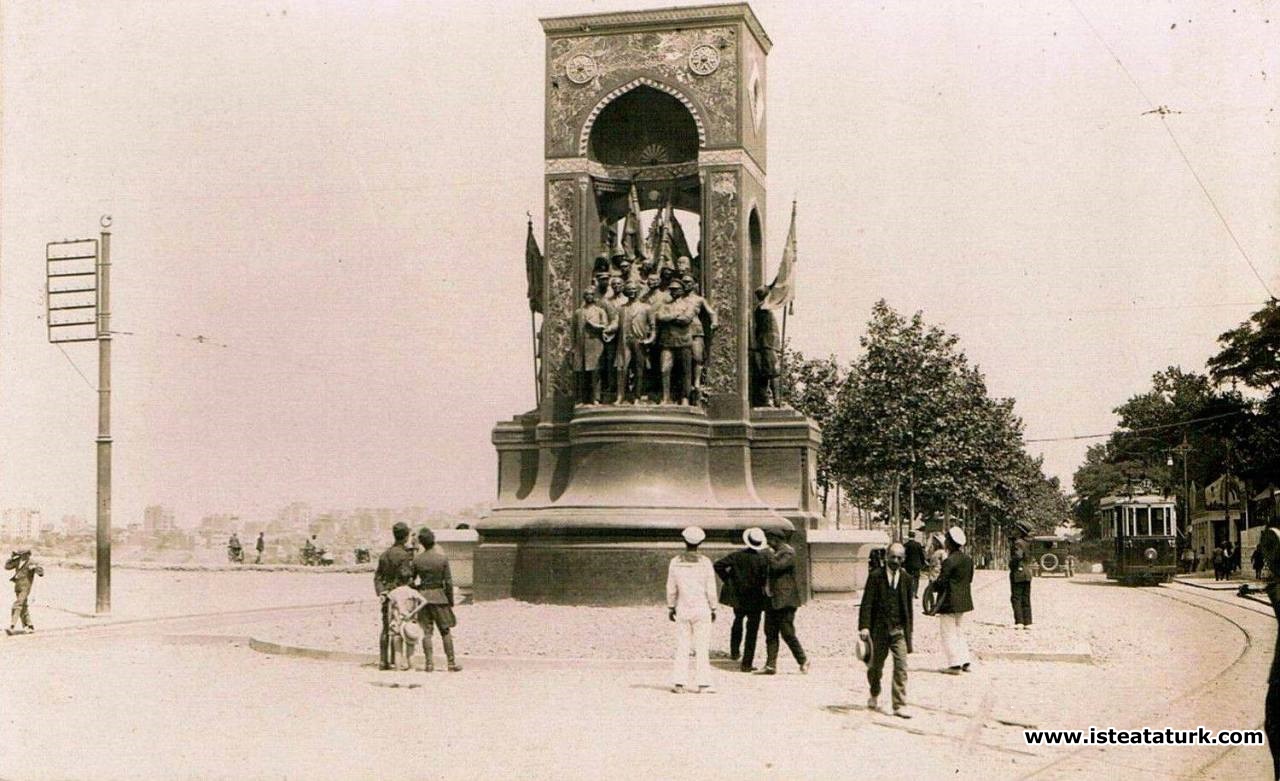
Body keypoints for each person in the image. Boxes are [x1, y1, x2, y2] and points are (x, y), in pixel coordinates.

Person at [859, 542, 914, 718]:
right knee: (875, 667)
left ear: (903, 559)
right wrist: (865, 626)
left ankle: (899, 705)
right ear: (886, 557)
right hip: (879, 631)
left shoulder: (906, 579)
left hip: (898, 631)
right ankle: (874, 692)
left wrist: (909, 633)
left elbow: (908, 608)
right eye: (892, 557)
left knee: (901, 667)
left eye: (899, 557)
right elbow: (867, 603)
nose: (895, 560)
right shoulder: (875, 576)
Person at [667, 526, 718, 693]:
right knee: (702, 646)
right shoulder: (705, 562)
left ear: (684, 541)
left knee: (682, 645)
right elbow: (711, 588)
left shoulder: (675, 561)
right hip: (701, 606)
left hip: (683, 606)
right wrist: (713, 606)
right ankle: (703, 684)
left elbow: (671, 587)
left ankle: (679, 683)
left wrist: (671, 605)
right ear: (701, 542)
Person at [713, 527, 769, 672]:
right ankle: (747, 663)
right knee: (752, 629)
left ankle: (734, 651)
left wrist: (728, 580)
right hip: (756, 597)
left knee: (737, 621)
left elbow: (718, 565)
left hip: (738, 595)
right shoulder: (763, 559)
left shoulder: (737, 556)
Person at [757, 527, 809, 675]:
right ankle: (770, 665)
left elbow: (776, 567)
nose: (767, 543)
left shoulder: (788, 552)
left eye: (769, 540)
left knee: (787, 632)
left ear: (776, 539)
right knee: (770, 632)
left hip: (785, 600)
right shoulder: (775, 553)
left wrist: (767, 554)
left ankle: (803, 660)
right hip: (772, 598)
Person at [411, 527, 461, 672]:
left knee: (426, 632)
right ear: (434, 540)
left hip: (423, 598)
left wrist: (419, 589)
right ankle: (451, 663)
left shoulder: (417, 560)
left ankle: (429, 664)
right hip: (439, 597)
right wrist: (450, 600)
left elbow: (411, 580)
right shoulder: (442, 558)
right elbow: (449, 583)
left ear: (421, 543)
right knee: (445, 631)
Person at [926, 526, 974, 674]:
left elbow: (941, 583)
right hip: (963, 601)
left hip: (949, 601)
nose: (945, 542)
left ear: (951, 542)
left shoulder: (949, 561)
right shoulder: (968, 560)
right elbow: (970, 579)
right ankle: (965, 661)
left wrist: (932, 586)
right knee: (959, 631)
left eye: (946, 539)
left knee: (948, 633)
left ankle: (954, 664)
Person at [374, 522, 415, 670]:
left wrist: (382, 592)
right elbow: (407, 575)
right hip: (401, 596)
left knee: (386, 627)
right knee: (401, 627)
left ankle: (383, 661)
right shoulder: (405, 555)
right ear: (405, 536)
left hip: (387, 595)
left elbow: (377, 577)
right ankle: (397, 660)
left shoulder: (385, 554)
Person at [654, 279, 697, 405]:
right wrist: (675, 315)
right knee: (664, 369)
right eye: (671, 289)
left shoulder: (689, 305)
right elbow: (660, 317)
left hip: (684, 341)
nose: (673, 292)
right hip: (667, 341)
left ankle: (685, 397)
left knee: (685, 371)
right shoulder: (665, 305)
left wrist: (670, 318)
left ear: (682, 290)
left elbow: (686, 319)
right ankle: (665, 397)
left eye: (676, 289)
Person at [613, 281, 656, 405]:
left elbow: (653, 327)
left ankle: (637, 396)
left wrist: (650, 339)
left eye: (634, 290)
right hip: (625, 341)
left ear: (637, 291)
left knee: (639, 369)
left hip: (639, 341)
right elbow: (615, 323)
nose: (632, 292)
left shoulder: (646, 307)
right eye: (629, 290)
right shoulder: (621, 308)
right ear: (625, 292)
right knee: (622, 369)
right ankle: (620, 396)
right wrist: (606, 329)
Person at [571, 289, 616, 405]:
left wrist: (594, 325)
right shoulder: (578, 313)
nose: (589, 296)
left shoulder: (600, 311)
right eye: (586, 294)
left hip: (595, 345)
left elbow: (605, 326)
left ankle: (596, 398)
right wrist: (573, 347)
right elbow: (573, 331)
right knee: (581, 374)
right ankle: (581, 398)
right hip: (581, 346)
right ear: (583, 296)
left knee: (595, 374)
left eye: (591, 294)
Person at [681, 275, 718, 402]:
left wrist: (714, 322)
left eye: (688, 282)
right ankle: (685, 389)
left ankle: (696, 384)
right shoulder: (679, 298)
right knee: (684, 360)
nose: (685, 284)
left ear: (694, 284)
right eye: (684, 282)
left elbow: (711, 312)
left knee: (697, 357)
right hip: (681, 331)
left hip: (696, 330)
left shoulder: (699, 299)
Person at [750, 286, 783, 407]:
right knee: (773, 372)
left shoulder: (764, 307)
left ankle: (769, 399)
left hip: (770, 344)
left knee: (769, 372)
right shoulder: (763, 307)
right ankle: (776, 401)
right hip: (767, 344)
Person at [6, 549, 43, 634]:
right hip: (17, 587)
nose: (22, 555)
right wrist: (11, 558)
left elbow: (41, 573)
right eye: (20, 554)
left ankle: (12, 626)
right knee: (23, 606)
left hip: (26, 588)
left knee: (17, 605)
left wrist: (35, 568)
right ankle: (29, 626)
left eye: (23, 554)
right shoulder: (18, 560)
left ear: (28, 554)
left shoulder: (32, 562)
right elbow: (7, 567)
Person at [1009, 519, 1034, 630]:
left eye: (1015, 529)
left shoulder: (1018, 543)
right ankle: (1028, 622)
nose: (1013, 531)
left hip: (1018, 572)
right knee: (1026, 597)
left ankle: (1019, 621)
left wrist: (1011, 564)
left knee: (1016, 597)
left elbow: (1018, 556)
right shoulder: (1029, 542)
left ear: (1019, 531)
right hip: (1028, 572)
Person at [903, 531, 926, 598]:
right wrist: (923, 563)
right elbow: (921, 555)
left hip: (908, 565)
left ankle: (909, 592)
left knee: (909, 579)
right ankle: (915, 593)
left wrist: (903, 565)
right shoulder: (918, 545)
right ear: (914, 536)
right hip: (916, 565)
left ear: (908, 536)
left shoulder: (906, 545)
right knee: (916, 580)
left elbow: (904, 556)